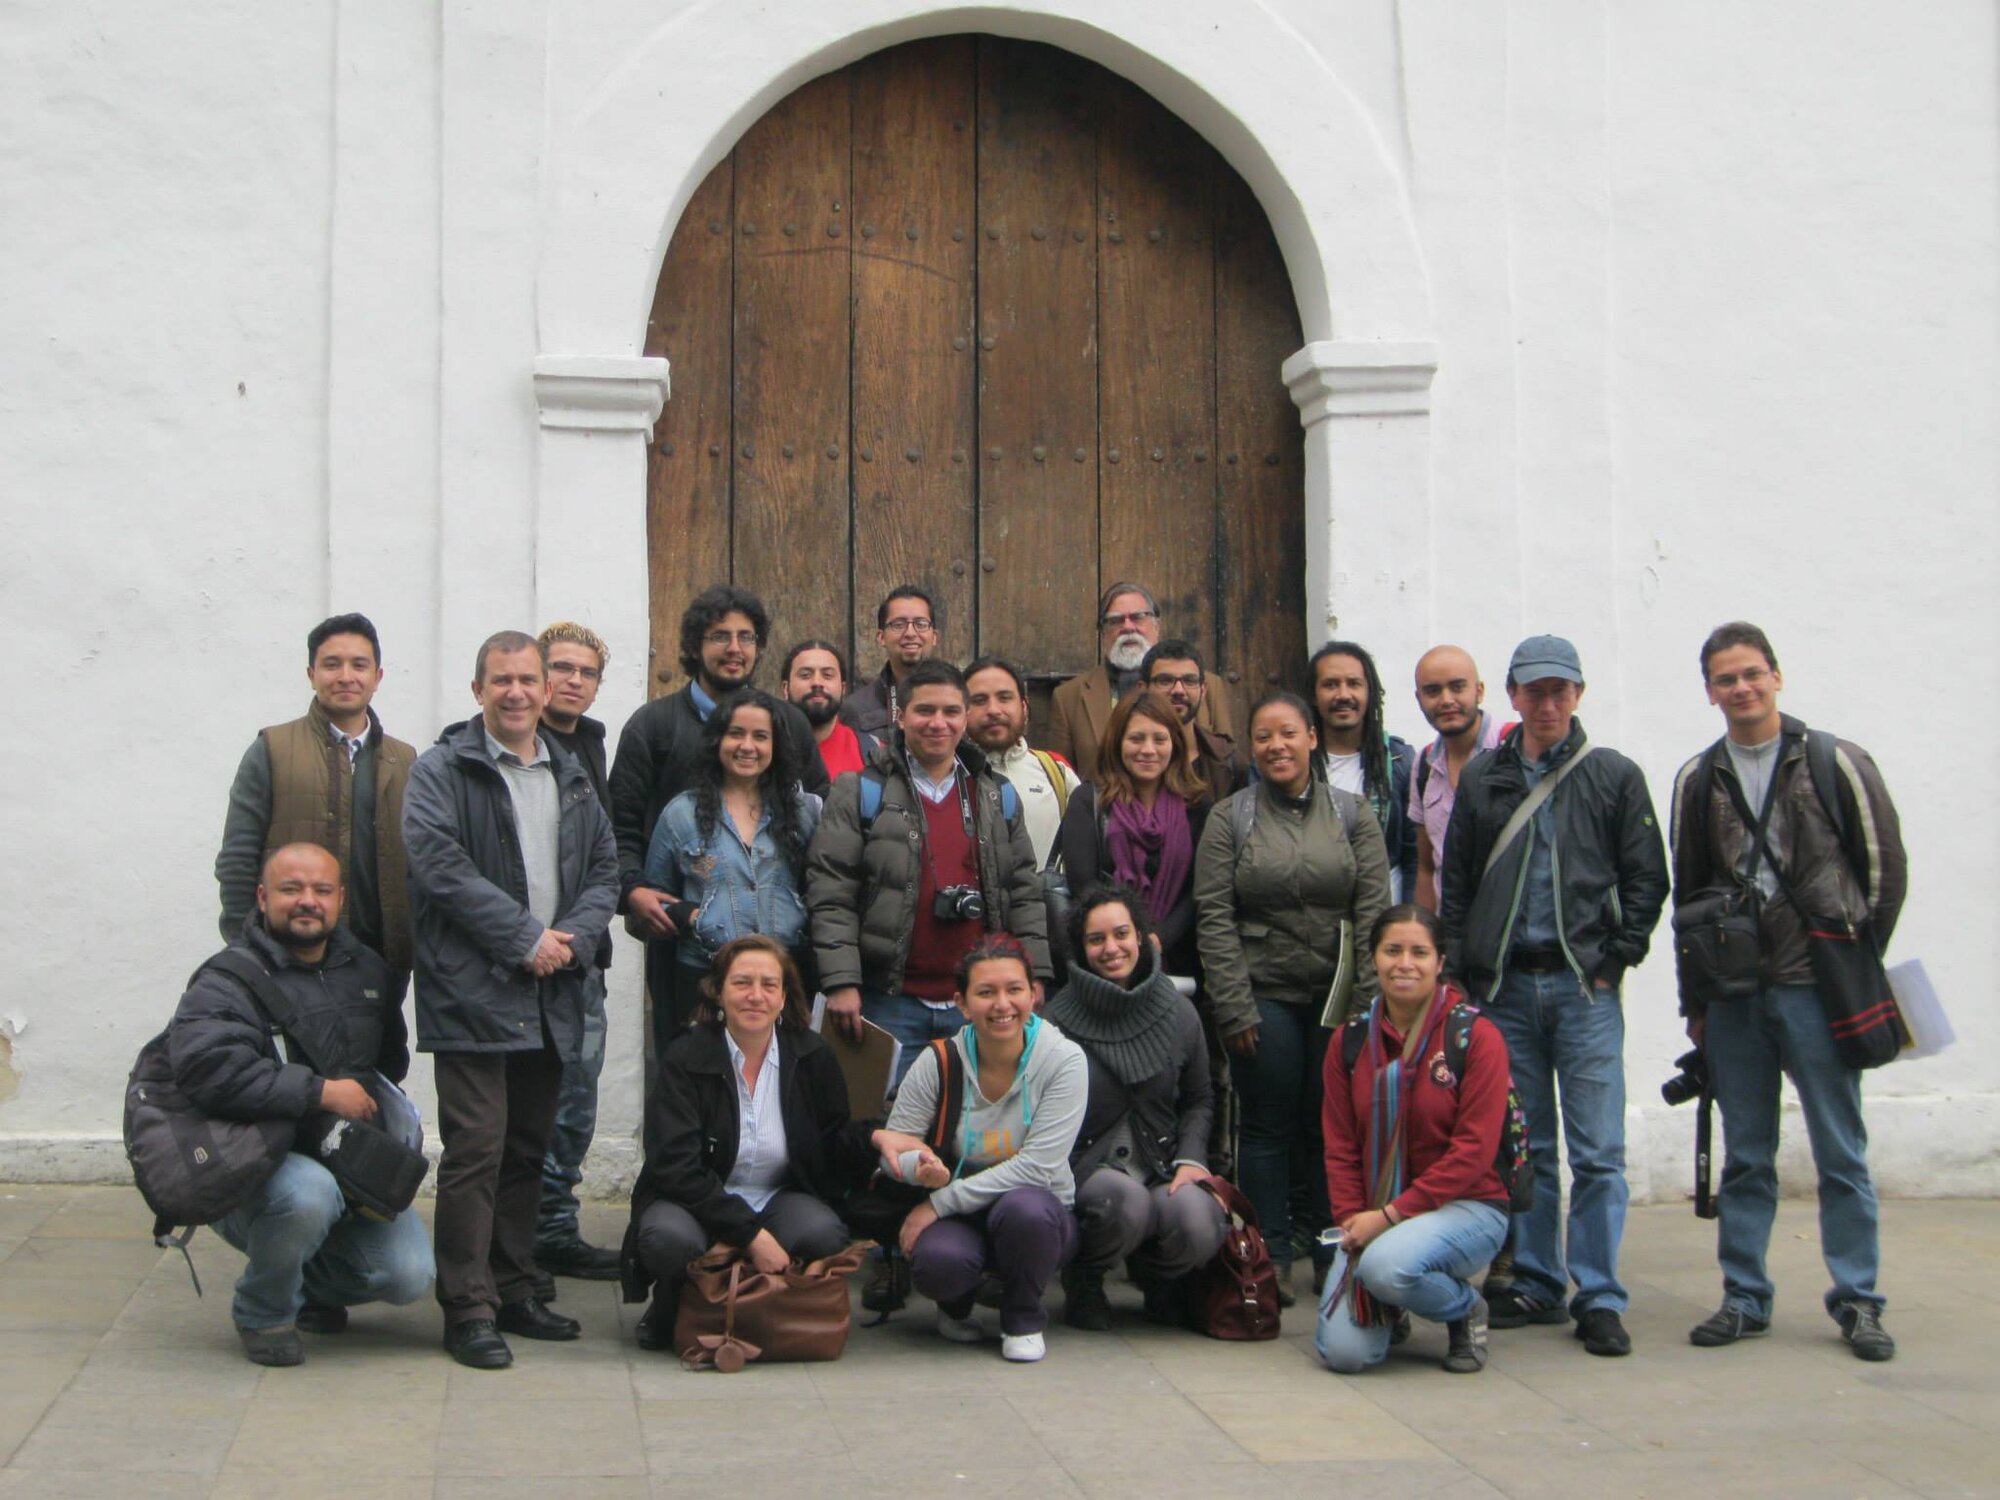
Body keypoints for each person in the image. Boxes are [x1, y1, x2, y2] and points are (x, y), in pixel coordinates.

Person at [1670, 622, 1907, 1361]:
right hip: (1737, 992)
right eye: (1725, 679)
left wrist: (1852, 956)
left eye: (1751, 674)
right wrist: (1697, 1005)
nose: (1741, 689)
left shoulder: (1834, 761)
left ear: (1776, 675)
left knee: (1840, 1148)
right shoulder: (1699, 777)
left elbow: (1883, 872)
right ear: (1709, 690)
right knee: (1746, 1152)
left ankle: (1859, 1299)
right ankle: (1744, 1295)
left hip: (1816, 983)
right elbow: (1690, 898)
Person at [1439, 634, 1667, 1357]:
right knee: (1527, 1144)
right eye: (1533, 690)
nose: (1546, 703)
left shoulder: (1613, 776)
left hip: (1582, 987)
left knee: (1599, 1148)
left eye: (1559, 690)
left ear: (1578, 695)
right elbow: (1459, 885)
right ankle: (1538, 1279)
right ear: (1510, 695)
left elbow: (1646, 879)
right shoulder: (1483, 779)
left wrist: (1616, 959)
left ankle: (1598, 1293)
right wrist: (1463, 971)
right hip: (1507, 986)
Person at [404, 630, 620, 1369]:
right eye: (502, 680)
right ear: (478, 691)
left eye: (528, 678)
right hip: (472, 992)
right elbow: (439, 868)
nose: (519, 692)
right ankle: (467, 1306)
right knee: (477, 1151)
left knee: (529, 1147)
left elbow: (603, 869)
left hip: (551, 987)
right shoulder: (441, 770)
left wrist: (574, 938)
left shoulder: (573, 773)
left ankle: (515, 1284)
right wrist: (526, 937)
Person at [171, 843, 433, 1366]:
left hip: (340, 1156)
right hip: (250, 1163)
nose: (307, 901)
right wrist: (318, 1092)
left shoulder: (367, 970)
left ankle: (309, 1283)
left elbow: (388, 1063)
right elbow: (206, 1072)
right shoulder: (226, 978)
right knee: (307, 1194)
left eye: (321, 890)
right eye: (291, 889)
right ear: (263, 898)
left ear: (340, 900)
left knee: (408, 1275)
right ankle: (263, 1310)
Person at [1193, 691, 1392, 1303]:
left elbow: (1374, 910)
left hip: (1338, 999)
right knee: (1267, 1127)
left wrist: (1364, 1005)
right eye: (1263, 737)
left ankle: (1333, 1246)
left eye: (1287, 733)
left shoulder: (1354, 814)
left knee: (1332, 1125)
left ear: (1311, 738)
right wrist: (1233, 1003)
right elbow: (1214, 914)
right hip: (1264, 993)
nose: (1276, 746)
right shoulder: (1232, 817)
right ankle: (1269, 1252)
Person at [610, 586, 828, 1088]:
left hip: (785, 958)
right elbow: (619, 824)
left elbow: (822, 828)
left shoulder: (790, 723)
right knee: (689, 1075)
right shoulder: (653, 725)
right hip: (688, 952)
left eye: (746, 637)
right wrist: (632, 888)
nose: (735, 648)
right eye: (720, 636)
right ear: (694, 645)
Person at [622, 936, 877, 1350]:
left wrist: (877, 1138)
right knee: (668, 1239)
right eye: (742, 983)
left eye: (768, 985)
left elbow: (832, 1141)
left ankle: (769, 1307)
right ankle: (675, 1303)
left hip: (777, 1194)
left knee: (823, 1232)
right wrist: (750, 1235)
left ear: (784, 997)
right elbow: (675, 1168)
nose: (755, 996)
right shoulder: (685, 1057)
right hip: (697, 1198)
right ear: (718, 991)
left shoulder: (813, 1055)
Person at [807, 658, 1052, 1074]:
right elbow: (831, 891)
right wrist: (841, 981)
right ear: (901, 717)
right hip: (888, 1004)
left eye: (951, 711)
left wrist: (1034, 973)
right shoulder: (860, 792)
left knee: (973, 1131)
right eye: (925, 711)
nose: (938, 723)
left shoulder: (996, 795)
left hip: (979, 1004)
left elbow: (1024, 890)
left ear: (965, 718)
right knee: (888, 1131)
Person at [1316, 904, 1513, 1375]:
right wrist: (1351, 1223)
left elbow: (1473, 1153)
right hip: (1378, 1214)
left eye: (1420, 952)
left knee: (1385, 1269)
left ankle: (1463, 1307)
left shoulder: (1475, 1038)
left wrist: (1387, 1218)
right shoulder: (1350, 1041)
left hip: (1468, 1206)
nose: (1405, 963)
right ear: (1374, 959)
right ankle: (1392, 1297)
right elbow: (1340, 1145)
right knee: (1345, 1356)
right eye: (1393, 950)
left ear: (1440, 962)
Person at [872, 934, 1087, 1362]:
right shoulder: (938, 1060)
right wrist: (921, 1168)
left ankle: (1023, 1317)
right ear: (963, 1004)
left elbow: (1038, 1167)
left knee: (1025, 1210)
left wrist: (937, 1202)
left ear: (1034, 995)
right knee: (938, 1263)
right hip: (963, 1215)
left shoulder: (1064, 1060)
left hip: (1037, 1213)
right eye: (986, 993)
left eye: (1014, 990)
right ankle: (955, 1307)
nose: (1002, 1004)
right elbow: (896, 1146)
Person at [1046, 886, 1224, 1330]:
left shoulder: (1180, 1012)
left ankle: (1159, 1277)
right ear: (1081, 949)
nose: (1111, 948)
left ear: (1142, 937)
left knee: (1199, 1219)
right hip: (1088, 1167)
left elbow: (1201, 1097)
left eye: (1122, 934)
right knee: (1124, 1204)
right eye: (1096, 939)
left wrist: (1192, 1159)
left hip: (1162, 1163)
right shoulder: (1055, 1022)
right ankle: (1085, 1276)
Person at [215, 613, 414, 997]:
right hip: (288, 959)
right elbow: (237, 860)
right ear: (311, 673)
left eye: (359, 665)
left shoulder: (405, 761)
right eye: (331, 664)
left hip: (381, 963)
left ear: (378, 677)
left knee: (382, 1058)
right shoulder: (272, 750)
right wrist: (247, 948)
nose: (345, 676)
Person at [642, 687, 823, 1037]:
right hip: (704, 975)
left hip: (784, 975)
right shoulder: (681, 814)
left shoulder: (803, 813)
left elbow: (821, 889)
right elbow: (654, 898)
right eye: (736, 733)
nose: (747, 746)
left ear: (776, 745)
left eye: (760, 736)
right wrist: (694, 918)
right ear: (716, 740)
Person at [532, 621, 622, 1285]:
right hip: (517, 957)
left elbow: (603, 857)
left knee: (576, 1099)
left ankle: (553, 1227)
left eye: (585, 672)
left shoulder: (591, 745)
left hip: (581, 958)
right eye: (559, 667)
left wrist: (581, 936)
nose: (572, 681)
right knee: (518, 1103)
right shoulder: (512, 744)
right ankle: (514, 1233)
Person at [1055, 690, 1211, 980]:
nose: (1148, 750)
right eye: (1136, 738)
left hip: (1177, 964)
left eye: (1159, 739)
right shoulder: (1088, 802)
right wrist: (1129, 938)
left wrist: (1158, 939)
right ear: (1117, 743)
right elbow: (1084, 887)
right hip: (1106, 961)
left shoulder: (1197, 806)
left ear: (1174, 744)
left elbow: (1199, 889)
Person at [1046, 583, 1231, 783]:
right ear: (1102, 633)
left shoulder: (1207, 685)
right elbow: (1059, 780)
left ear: (1157, 626)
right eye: (1115, 620)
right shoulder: (1068, 696)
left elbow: (1224, 763)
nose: (1127, 627)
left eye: (1138, 617)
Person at [1311, 641, 1418, 904]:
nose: (1343, 694)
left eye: (1354, 683)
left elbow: (1413, 855)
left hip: (1383, 920)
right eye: (1330, 684)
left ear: (1370, 692)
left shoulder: (1400, 761)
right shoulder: (1292, 762)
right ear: (1313, 695)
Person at [1408, 645, 1508, 913]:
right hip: (1452, 932)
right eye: (1433, 691)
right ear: (1419, 699)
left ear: (1479, 691)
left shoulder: (1513, 748)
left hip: (1513, 935)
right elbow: (1427, 867)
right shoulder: (1423, 765)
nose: (1446, 700)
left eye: (1457, 687)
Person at [965, 655, 1081, 869]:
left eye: (1004, 697)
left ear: (1024, 707)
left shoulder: (1056, 773)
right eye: (980, 700)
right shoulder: (948, 778)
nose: (993, 710)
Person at [1140, 639, 1242, 802]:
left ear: (1203, 690)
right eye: (1165, 681)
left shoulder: (1228, 762)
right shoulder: (1126, 758)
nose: (1178, 690)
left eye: (1189, 681)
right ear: (1143, 689)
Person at [839, 585, 942, 739]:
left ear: (934, 636)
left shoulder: (957, 699)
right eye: (898, 625)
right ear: (881, 637)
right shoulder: (855, 709)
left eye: (920, 624)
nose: (910, 633)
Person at [782, 638, 877, 780]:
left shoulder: (874, 754)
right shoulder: (762, 751)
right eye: (805, 675)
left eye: (827, 675)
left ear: (843, 688)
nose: (817, 683)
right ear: (785, 688)